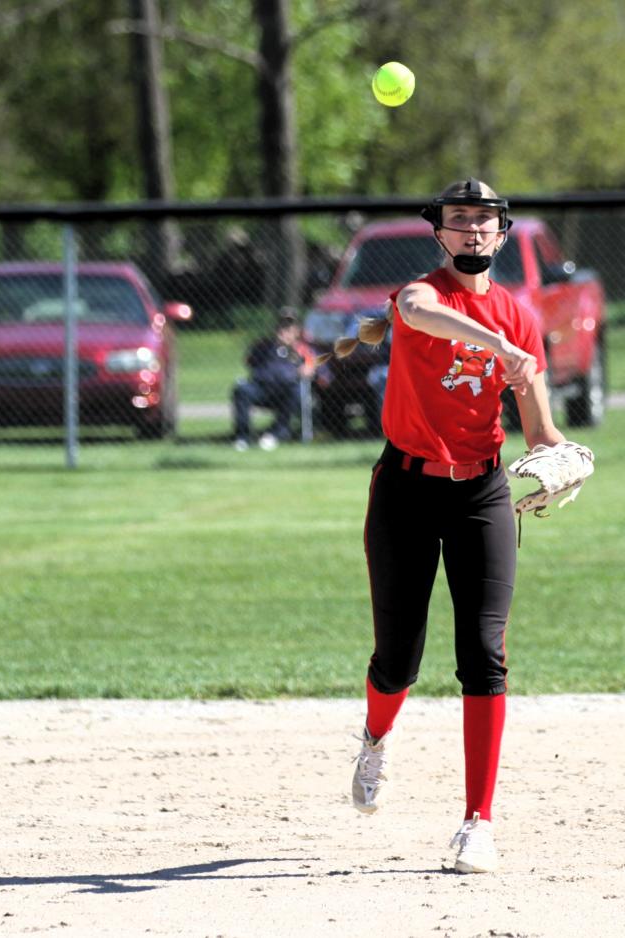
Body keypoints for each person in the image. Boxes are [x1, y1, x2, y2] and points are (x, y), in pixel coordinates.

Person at [341, 179, 565, 874]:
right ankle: (376, 738)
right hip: (405, 489)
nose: (472, 231)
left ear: (503, 233)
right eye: (458, 220)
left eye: (485, 221)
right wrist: (495, 343)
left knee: (483, 652)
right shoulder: (421, 295)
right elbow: (421, 314)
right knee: (397, 658)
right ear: (438, 232)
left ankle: (478, 822)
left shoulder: (520, 316)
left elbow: (541, 427)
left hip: (481, 492)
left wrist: (561, 459)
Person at [230, 311, 316, 450]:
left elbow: (311, 367)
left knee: (297, 392)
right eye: (281, 327)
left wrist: (306, 368)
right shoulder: (262, 346)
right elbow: (249, 361)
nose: (284, 331)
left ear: (296, 331)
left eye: (288, 329)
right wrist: (274, 347)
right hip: (261, 389)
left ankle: (276, 433)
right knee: (242, 390)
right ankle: (242, 438)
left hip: (285, 393)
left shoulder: (301, 349)